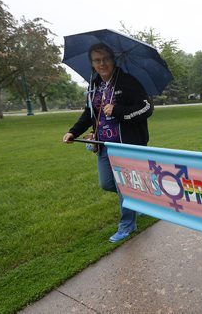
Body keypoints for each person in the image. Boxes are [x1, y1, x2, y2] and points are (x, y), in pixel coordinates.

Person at [62, 43, 153, 243]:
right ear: (92, 63)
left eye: (105, 59)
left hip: (126, 145)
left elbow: (146, 108)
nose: (102, 63)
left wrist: (119, 110)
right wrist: (73, 131)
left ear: (113, 60)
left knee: (123, 186)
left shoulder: (128, 82)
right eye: (97, 60)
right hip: (103, 144)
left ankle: (127, 225)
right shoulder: (94, 86)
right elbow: (89, 113)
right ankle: (138, 198)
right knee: (108, 183)